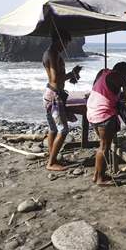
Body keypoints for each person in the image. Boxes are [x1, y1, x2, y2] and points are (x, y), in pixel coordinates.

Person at [86, 61, 126, 185]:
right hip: (104, 113)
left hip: (92, 110)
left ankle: (97, 175)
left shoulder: (103, 72)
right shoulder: (122, 78)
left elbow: (100, 88)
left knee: (103, 145)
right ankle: (99, 179)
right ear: (124, 72)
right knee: (104, 147)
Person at [42, 27, 82, 171]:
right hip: (54, 95)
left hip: (50, 93)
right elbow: (54, 78)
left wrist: (71, 75)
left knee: (53, 129)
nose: (65, 46)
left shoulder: (52, 53)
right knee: (63, 130)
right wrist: (71, 74)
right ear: (60, 40)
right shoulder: (52, 54)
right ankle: (51, 163)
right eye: (65, 43)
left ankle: (51, 156)